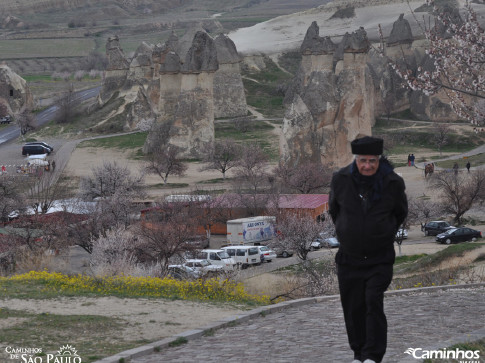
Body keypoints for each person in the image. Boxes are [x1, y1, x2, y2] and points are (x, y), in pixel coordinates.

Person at [329, 136, 408, 363]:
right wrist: (348, 231)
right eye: (363, 160)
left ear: (378, 160)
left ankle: (372, 355)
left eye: (372, 161)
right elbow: (335, 210)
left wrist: (382, 232)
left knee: (373, 301)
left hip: (379, 258)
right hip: (349, 257)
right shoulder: (341, 179)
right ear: (356, 159)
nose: (367, 166)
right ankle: (358, 353)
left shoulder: (392, 182)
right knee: (353, 308)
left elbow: (400, 213)